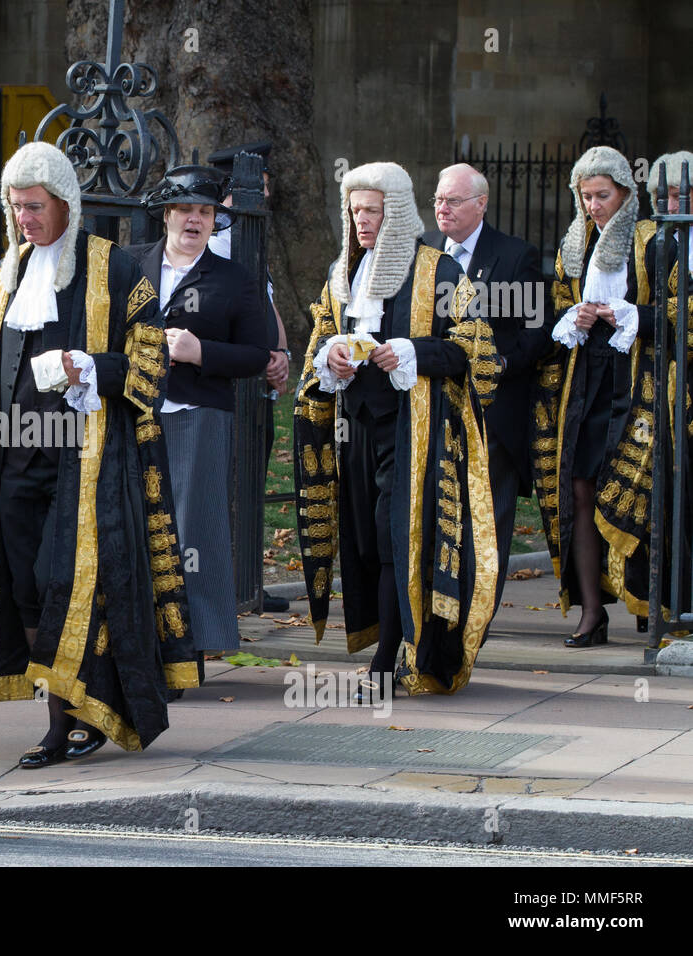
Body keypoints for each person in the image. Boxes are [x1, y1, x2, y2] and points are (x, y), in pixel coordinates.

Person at [0, 142, 196, 767]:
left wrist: (90, 367)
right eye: (16, 207)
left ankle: (73, 719)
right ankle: (59, 714)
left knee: (68, 584)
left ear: (66, 203)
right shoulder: (8, 272)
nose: (24, 219)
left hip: (84, 461)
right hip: (15, 456)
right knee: (27, 592)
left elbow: (151, 363)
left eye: (34, 206)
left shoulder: (113, 268)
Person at [294, 161, 498, 698]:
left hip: (415, 432)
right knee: (364, 542)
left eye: (374, 211)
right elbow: (320, 335)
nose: (363, 221)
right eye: (356, 210)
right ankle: (384, 646)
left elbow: (474, 353)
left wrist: (412, 351)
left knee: (394, 541)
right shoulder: (342, 274)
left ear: (398, 212)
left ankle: (390, 663)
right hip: (353, 428)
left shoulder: (440, 271)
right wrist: (330, 356)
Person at [128, 165, 271, 659]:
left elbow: (258, 354)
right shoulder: (130, 264)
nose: (195, 220)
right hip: (134, 413)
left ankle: (191, 643)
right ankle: (137, 635)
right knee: (134, 521)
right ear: (167, 214)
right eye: (186, 209)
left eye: (205, 212)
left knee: (193, 531)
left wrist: (200, 351)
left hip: (199, 414)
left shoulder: (232, 277)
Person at [531, 146, 670, 645]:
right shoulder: (575, 244)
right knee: (580, 488)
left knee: (640, 489)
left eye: (602, 195)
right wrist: (576, 318)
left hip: (635, 382)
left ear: (626, 194)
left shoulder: (653, 241)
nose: (593, 205)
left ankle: (648, 602)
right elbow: (558, 313)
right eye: (585, 196)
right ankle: (593, 610)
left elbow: (676, 318)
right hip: (586, 380)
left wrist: (629, 315)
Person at [421, 163, 546, 616]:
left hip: (494, 411)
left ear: (481, 204)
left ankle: (479, 614)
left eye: (452, 201)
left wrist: (500, 364)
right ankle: (442, 606)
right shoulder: (426, 253)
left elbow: (536, 333)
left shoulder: (515, 256)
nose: (442, 208)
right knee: (439, 513)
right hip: (437, 409)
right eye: (438, 199)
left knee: (487, 518)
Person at [207, 142, 291, 613]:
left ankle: (246, 581)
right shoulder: (218, 246)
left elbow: (267, 305)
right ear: (230, 196)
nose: (265, 196)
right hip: (230, 384)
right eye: (256, 189)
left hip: (257, 381)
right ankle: (226, 586)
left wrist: (279, 353)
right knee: (224, 486)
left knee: (248, 484)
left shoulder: (250, 240)